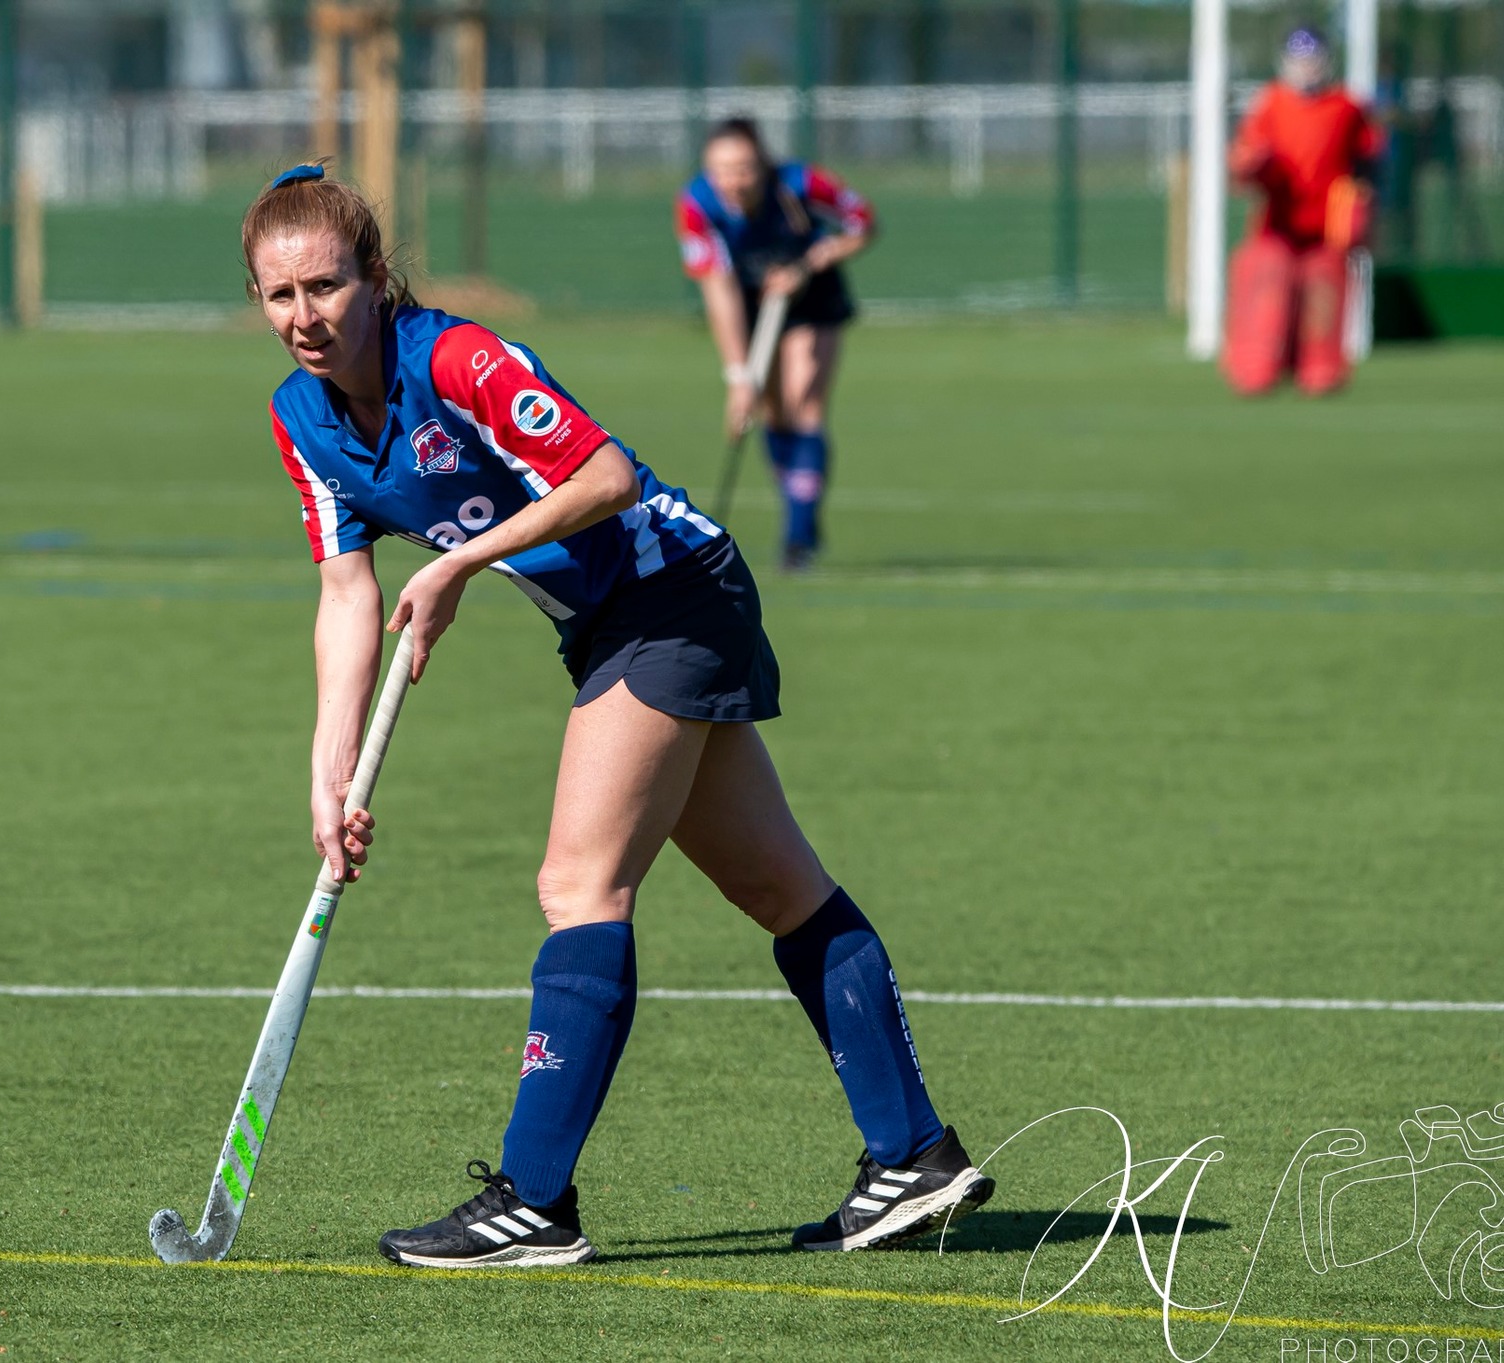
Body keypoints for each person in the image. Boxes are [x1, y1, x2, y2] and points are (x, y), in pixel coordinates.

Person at [243, 163, 990, 1270]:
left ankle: (534, 1203)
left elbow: (605, 474)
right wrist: (330, 772)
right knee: (777, 886)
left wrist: (463, 561)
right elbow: (347, 594)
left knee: (578, 885)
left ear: (375, 276)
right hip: (609, 624)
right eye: (278, 296)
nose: (305, 317)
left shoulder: (453, 357)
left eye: (326, 286)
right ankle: (913, 1158)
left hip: (669, 593)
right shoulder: (299, 416)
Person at [675, 118, 875, 570]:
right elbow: (718, 290)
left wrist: (813, 260)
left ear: (762, 164)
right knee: (773, 412)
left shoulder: (803, 184)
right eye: (722, 170)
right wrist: (738, 378)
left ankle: (798, 536)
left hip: (813, 295)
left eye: (743, 168)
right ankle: (801, 500)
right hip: (749, 301)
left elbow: (862, 223)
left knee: (804, 402)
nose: (733, 181)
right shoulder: (696, 206)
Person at [1224, 28, 1382, 397]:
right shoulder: (1271, 103)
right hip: (1277, 226)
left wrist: (1363, 200)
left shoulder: (1346, 106)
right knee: (1266, 291)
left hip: (1327, 229)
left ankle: (1320, 371)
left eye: (1313, 61)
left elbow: (1370, 158)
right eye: (1299, 61)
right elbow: (1248, 155)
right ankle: (1255, 368)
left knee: (1323, 298)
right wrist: (1250, 166)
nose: (1306, 69)